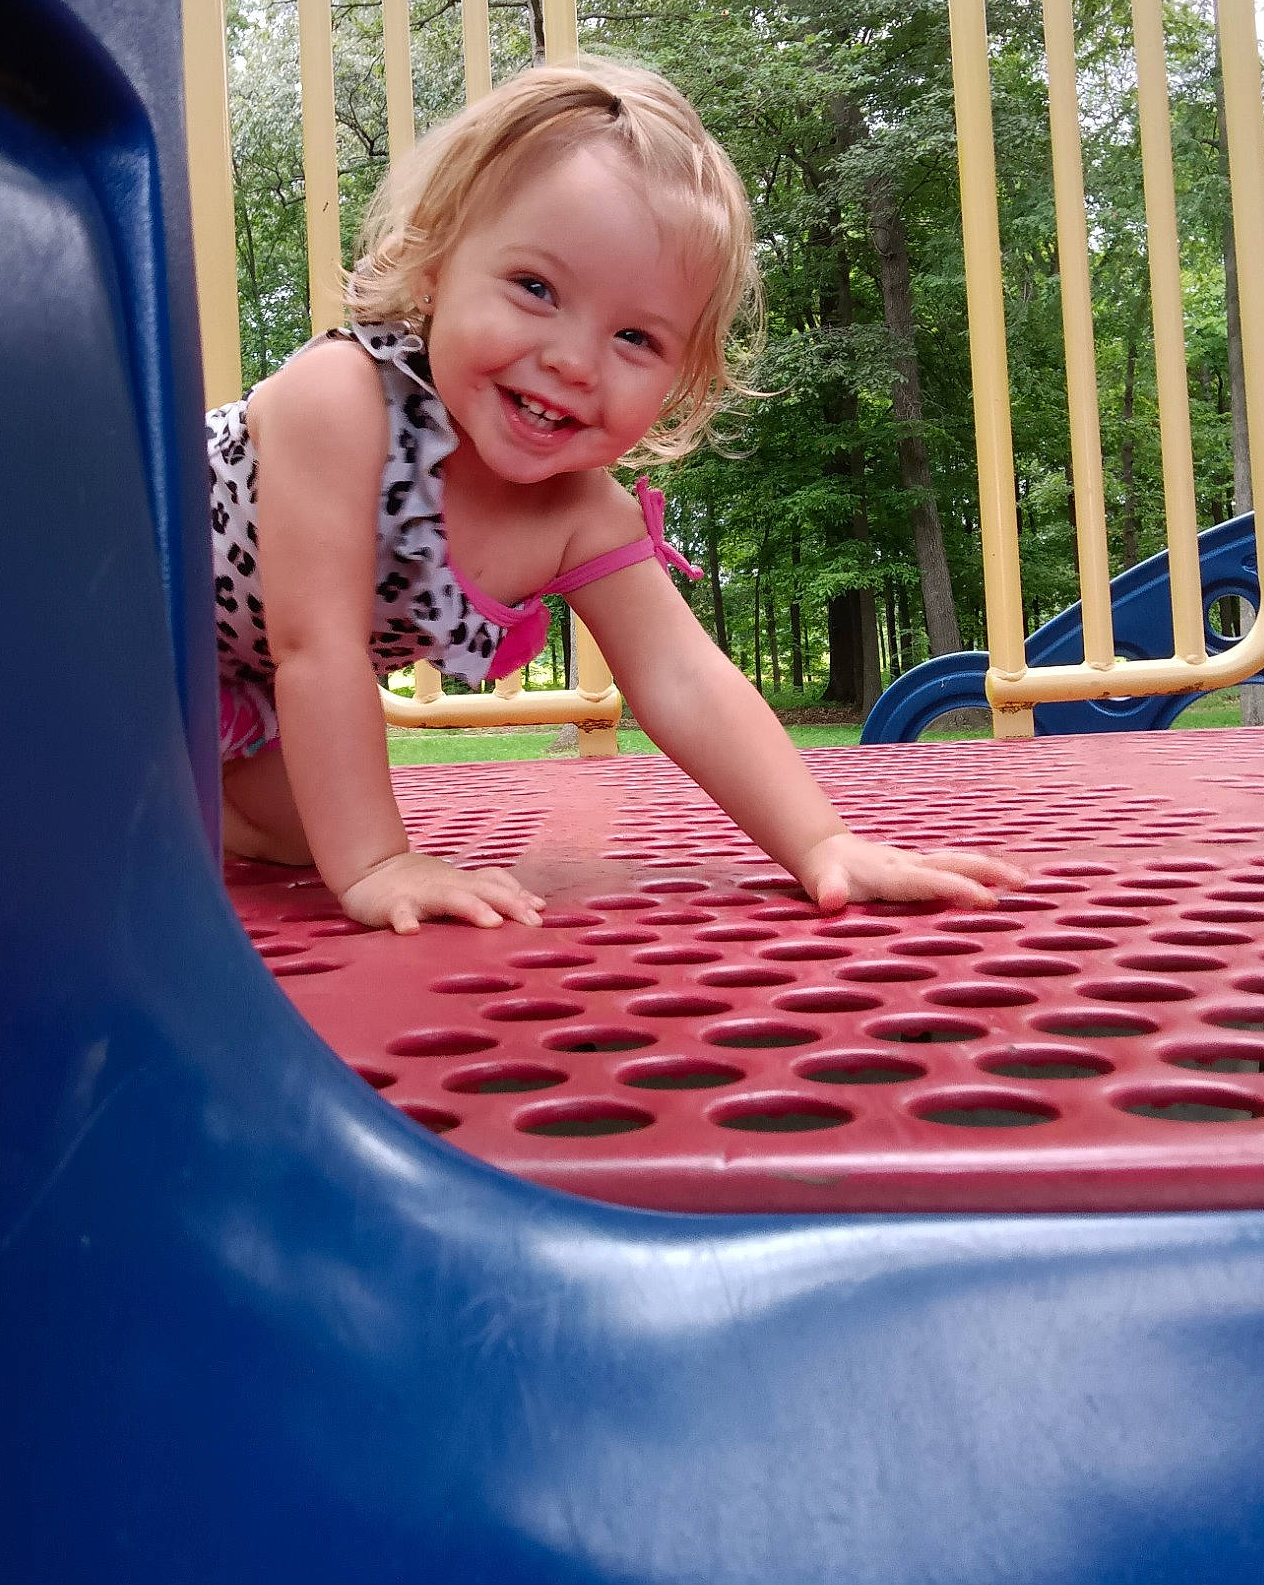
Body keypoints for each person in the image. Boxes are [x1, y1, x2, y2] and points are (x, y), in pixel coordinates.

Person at [208, 57, 1023, 933]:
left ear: (683, 377)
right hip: (98, 625)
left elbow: (682, 677)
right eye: (535, 289)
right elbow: (316, 647)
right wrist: (377, 864)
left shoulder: (579, 514)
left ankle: (189, 801)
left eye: (635, 336)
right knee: (313, 831)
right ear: (438, 266)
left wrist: (823, 844)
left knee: (296, 830)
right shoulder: (342, 401)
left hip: (223, 684)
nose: (572, 359)